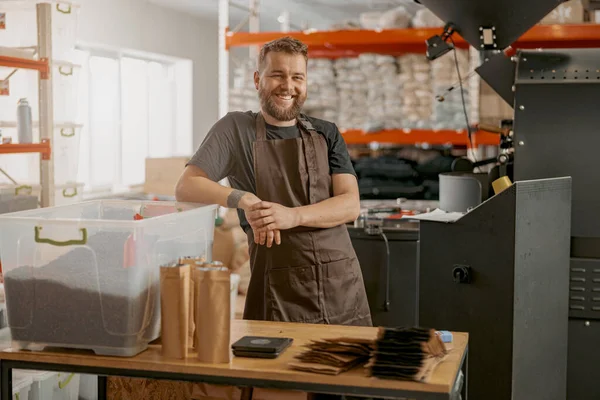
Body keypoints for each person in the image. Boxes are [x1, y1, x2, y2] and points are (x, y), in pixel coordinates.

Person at [176, 36, 371, 328]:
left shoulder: (326, 133)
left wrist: (292, 215)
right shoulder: (235, 129)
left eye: (297, 77)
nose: (288, 86)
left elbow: (349, 204)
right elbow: (187, 186)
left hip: (339, 284)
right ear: (258, 79)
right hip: (279, 289)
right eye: (277, 75)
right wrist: (243, 199)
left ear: (305, 83)